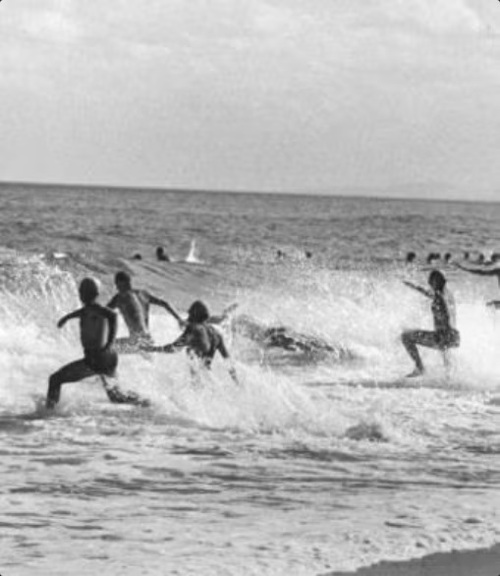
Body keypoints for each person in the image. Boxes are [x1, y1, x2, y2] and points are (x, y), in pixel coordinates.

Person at [47, 278, 148, 409]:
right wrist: (67, 317)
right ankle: (145, 402)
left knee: (55, 380)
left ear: (82, 294)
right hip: (107, 357)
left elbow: (113, 315)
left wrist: (110, 341)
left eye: (82, 292)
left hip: (97, 358)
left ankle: (48, 413)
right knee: (116, 396)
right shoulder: (90, 309)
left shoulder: (98, 309)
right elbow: (83, 312)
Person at [142, 300, 239, 384]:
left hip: (205, 373)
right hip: (208, 373)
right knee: (224, 323)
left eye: (190, 313)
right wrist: (236, 381)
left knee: (190, 351)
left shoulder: (193, 329)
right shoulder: (216, 334)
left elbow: (174, 348)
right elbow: (228, 361)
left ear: (194, 315)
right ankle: (227, 314)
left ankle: (227, 314)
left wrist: (151, 348)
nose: (188, 315)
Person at [401, 270, 460, 377]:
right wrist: (413, 286)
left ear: (437, 281)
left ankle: (420, 368)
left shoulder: (440, 296)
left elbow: (446, 310)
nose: (429, 283)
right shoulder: (446, 293)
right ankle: (451, 379)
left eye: (431, 281)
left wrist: (445, 332)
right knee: (446, 357)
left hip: (443, 336)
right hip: (452, 335)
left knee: (406, 337)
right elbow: (428, 293)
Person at [107, 271, 183, 353]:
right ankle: (159, 349)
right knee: (149, 360)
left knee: (106, 346)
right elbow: (165, 304)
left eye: (116, 284)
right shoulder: (143, 294)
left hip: (136, 342)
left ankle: (158, 349)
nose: (116, 287)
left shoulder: (120, 297)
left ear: (123, 282)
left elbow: (101, 312)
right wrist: (179, 319)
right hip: (147, 339)